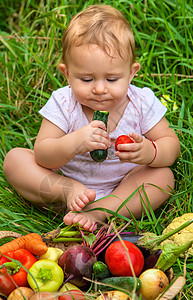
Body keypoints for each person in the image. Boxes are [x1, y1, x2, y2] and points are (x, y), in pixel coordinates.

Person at [3, 4, 180, 231]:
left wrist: (150, 151)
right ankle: (68, 195)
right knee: (15, 160)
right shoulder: (64, 102)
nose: (99, 89)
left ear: (132, 72)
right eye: (86, 79)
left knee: (163, 177)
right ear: (67, 74)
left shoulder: (141, 102)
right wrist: (75, 143)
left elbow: (171, 145)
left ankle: (101, 211)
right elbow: (43, 154)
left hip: (123, 188)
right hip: (63, 184)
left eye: (112, 79)